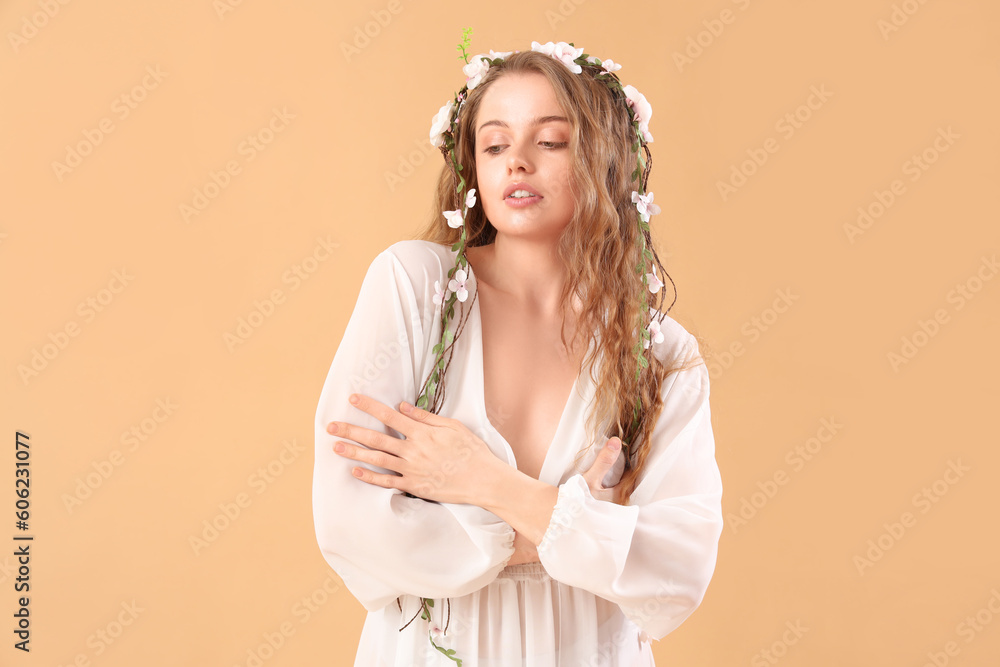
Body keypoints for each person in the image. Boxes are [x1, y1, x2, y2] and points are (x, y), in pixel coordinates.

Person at [312, 39, 724, 666]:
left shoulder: (658, 351)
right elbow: (350, 521)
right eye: (495, 145)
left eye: (550, 142)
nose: (518, 164)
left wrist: (479, 483)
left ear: (605, 160)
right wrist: (569, 530)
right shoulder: (416, 288)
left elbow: (677, 568)